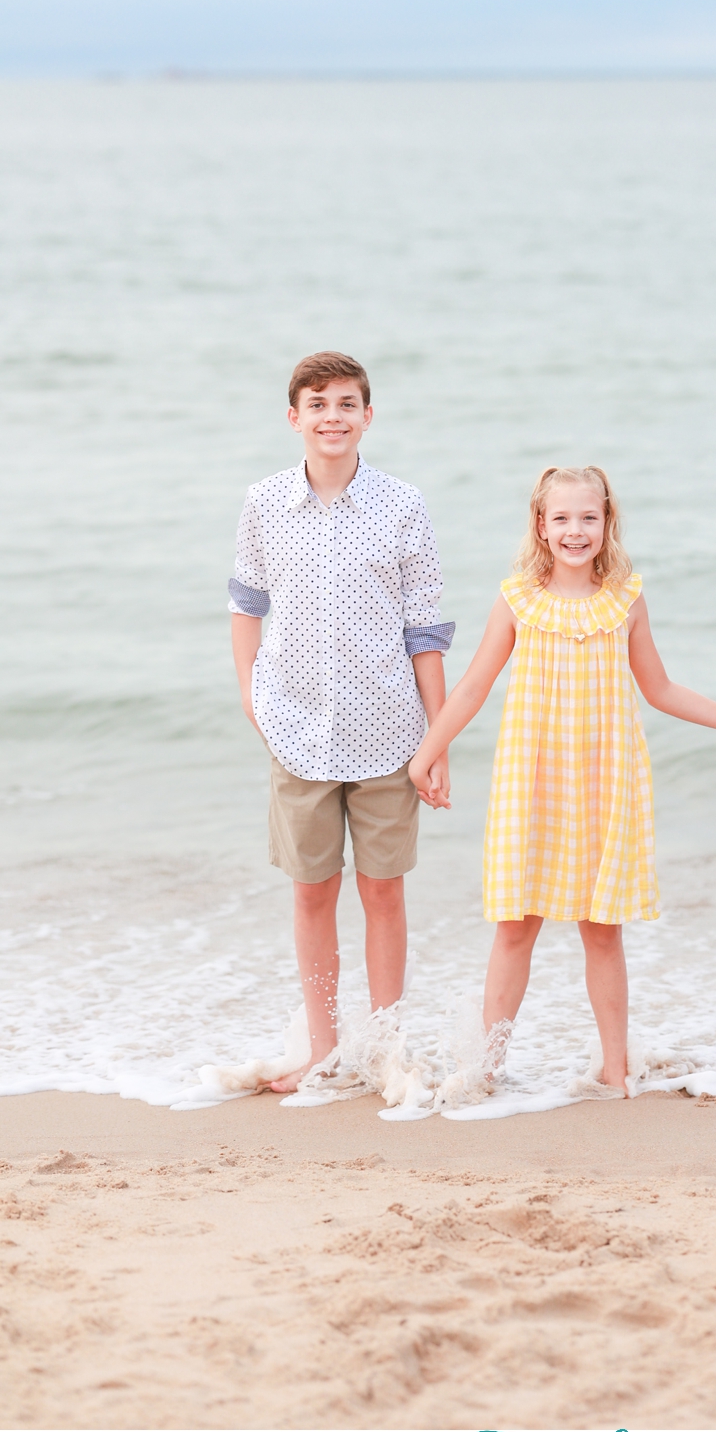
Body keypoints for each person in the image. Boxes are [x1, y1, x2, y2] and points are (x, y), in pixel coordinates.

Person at [409, 465, 716, 1098]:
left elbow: (660, 689)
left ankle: (615, 1067)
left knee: (603, 931)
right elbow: (472, 687)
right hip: (533, 781)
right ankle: (486, 1067)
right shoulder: (519, 597)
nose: (576, 530)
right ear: (541, 527)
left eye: (588, 518)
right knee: (516, 926)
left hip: (605, 783)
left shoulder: (624, 600)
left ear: (607, 523)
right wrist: (428, 752)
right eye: (562, 518)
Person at [229, 350, 454, 1094]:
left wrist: (437, 735)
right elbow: (246, 605)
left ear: (367, 415)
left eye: (347, 402)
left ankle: (386, 1048)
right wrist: (250, 694)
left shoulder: (402, 504)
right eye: (318, 403)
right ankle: (323, 1049)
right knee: (311, 890)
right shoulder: (263, 503)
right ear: (294, 417)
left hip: (391, 731)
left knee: (384, 890)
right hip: (295, 729)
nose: (333, 416)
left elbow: (425, 630)